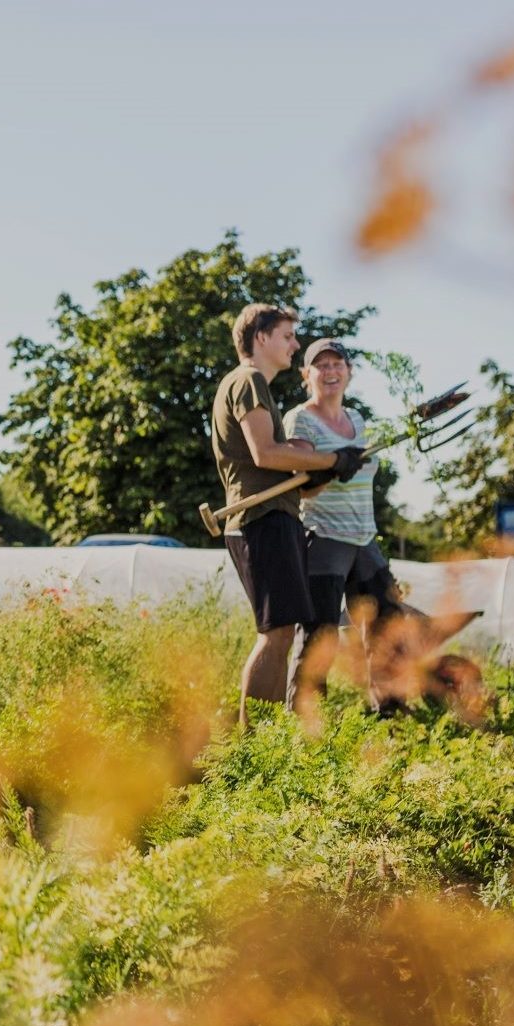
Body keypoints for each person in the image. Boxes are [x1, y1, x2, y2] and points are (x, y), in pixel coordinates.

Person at [209, 305, 364, 724]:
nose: (295, 345)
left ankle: (267, 740)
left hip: (275, 516)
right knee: (274, 635)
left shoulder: (253, 385)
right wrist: (330, 458)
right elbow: (265, 453)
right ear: (261, 337)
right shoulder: (249, 380)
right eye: (287, 336)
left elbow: (283, 467)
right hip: (261, 521)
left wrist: (327, 468)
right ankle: (253, 747)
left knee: (280, 633)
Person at [282, 338, 393, 706]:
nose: (330, 372)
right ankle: (303, 728)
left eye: (337, 365)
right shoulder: (300, 419)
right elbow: (303, 485)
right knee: (320, 639)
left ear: (349, 372)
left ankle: (391, 721)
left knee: (386, 629)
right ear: (306, 375)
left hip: (364, 540)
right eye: (321, 366)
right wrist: (331, 467)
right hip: (325, 540)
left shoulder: (357, 419)